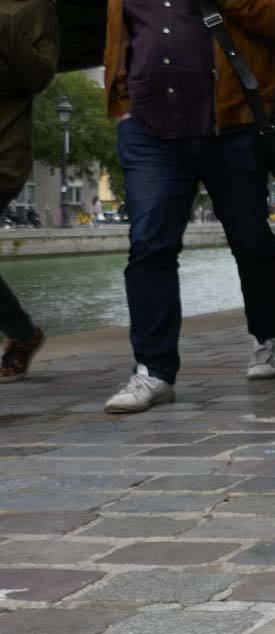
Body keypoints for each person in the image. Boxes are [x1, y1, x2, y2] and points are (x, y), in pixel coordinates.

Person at [101, 0, 275, 413]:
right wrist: (122, 102)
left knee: (250, 241)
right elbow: (120, 38)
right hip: (149, 130)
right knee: (149, 245)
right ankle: (154, 372)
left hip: (233, 127)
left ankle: (268, 336)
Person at [0, 0, 56, 383]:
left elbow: (38, 77)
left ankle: (22, 333)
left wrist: (4, 29)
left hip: (3, 150)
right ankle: (22, 333)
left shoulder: (34, 7)